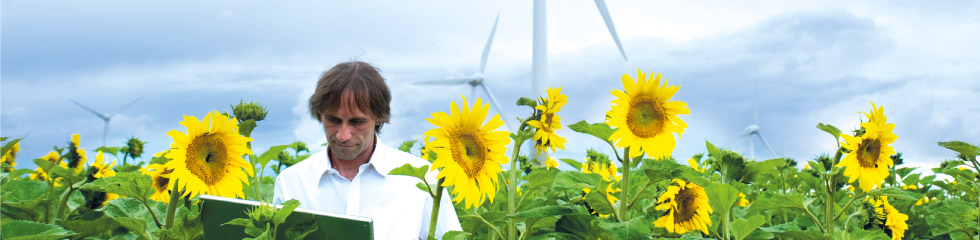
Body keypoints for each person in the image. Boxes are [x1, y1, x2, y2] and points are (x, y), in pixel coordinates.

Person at [274, 61, 461, 239]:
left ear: (379, 117)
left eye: (357, 122)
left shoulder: (422, 179)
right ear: (319, 115)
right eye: (333, 120)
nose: (343, 135)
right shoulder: (292, 183)